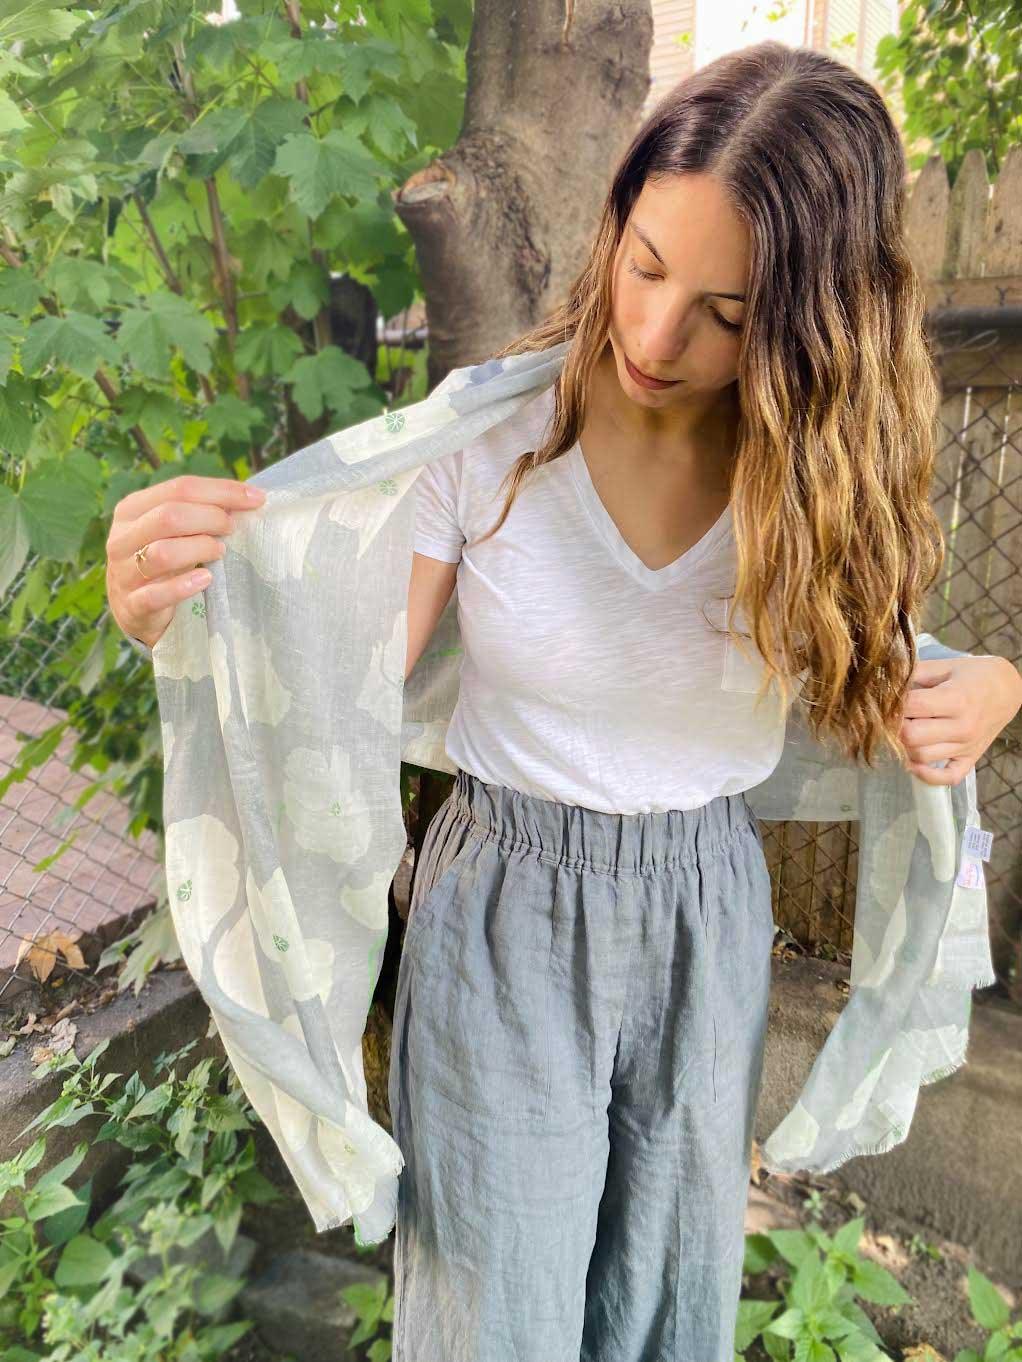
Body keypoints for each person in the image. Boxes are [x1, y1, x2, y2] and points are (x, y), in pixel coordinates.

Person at [106, 40, 1021, 1362]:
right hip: (505, 905)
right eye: (645, 266)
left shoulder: (810, 481)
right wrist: (184, 615)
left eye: (723, 309)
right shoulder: (486, 439)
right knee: (496, 1309)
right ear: (613, 227)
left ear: (809, 325)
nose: (654, 335)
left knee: (667, 1291)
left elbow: (875, 676)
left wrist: (991, 683)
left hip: (705, 907)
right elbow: (332, 695)